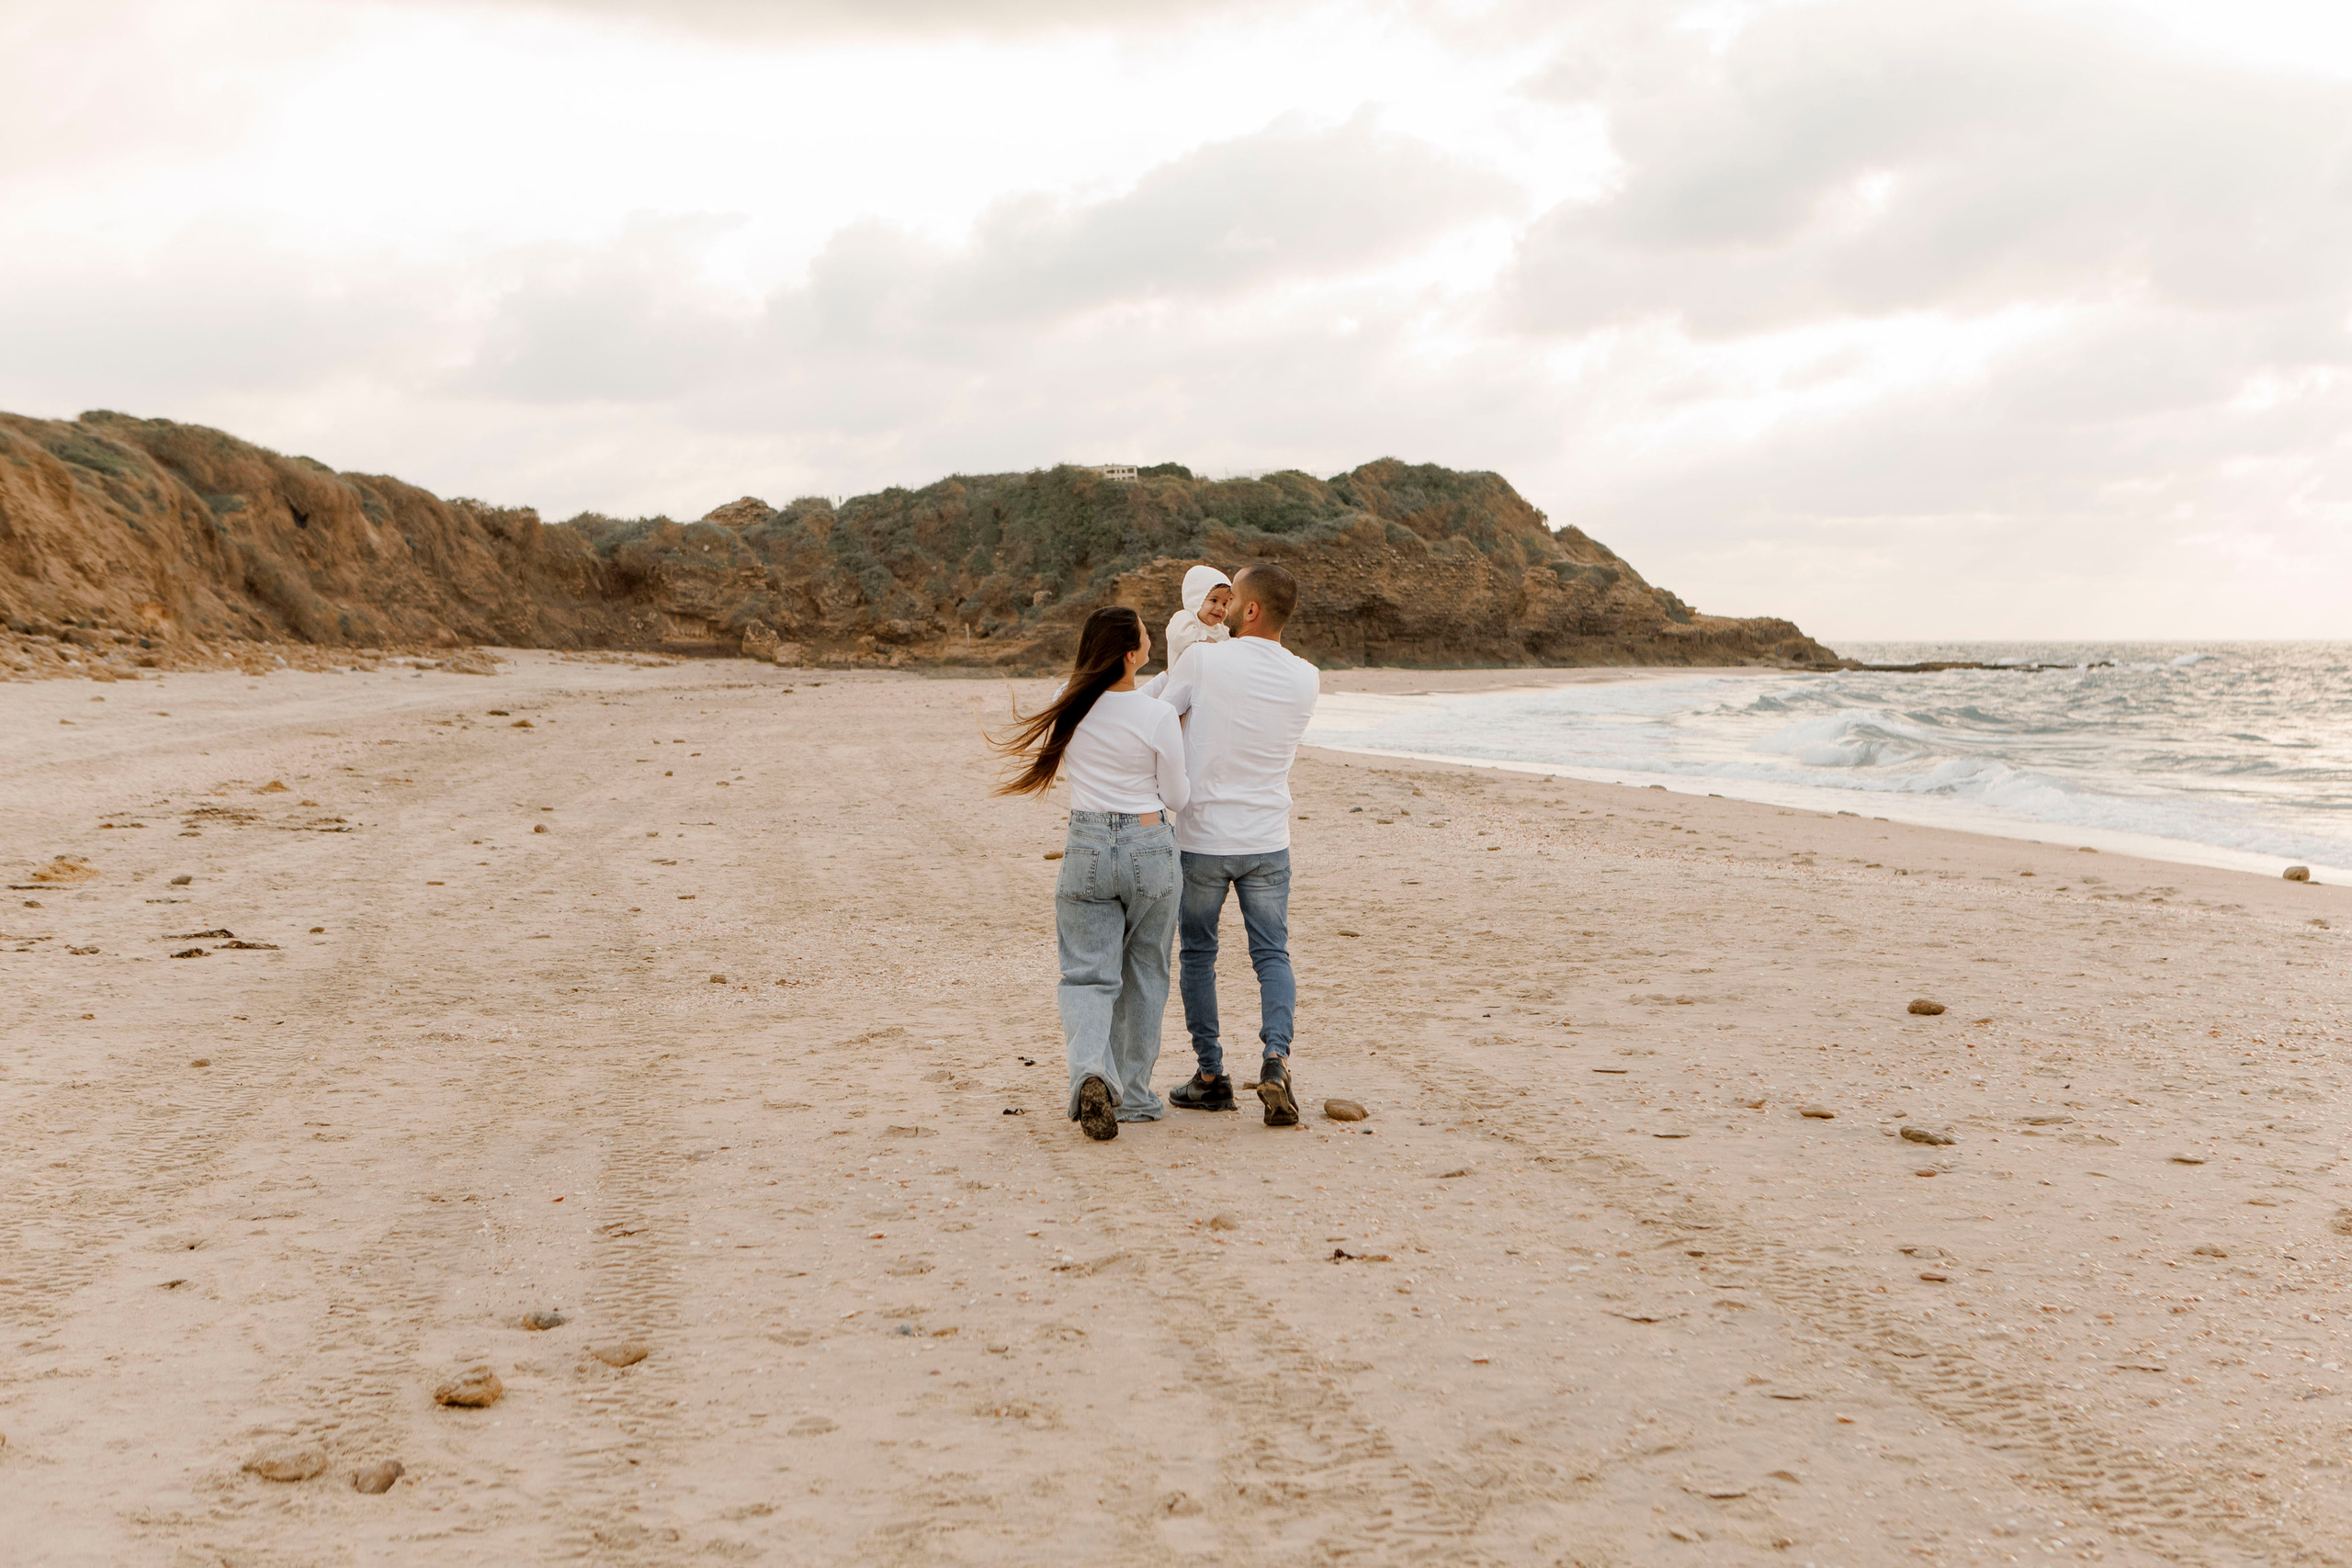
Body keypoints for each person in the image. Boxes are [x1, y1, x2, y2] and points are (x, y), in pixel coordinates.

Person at [990, 606, 1187, 1143]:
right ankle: (1137, 1097)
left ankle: (1090, 1073)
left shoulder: (1069, 700)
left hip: (1087, 844)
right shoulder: (1158, 716)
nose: (1150, 639)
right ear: (1131, 653)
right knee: (1145, 972)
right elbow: (1177, 796)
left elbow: (1118, 698)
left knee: (1086, 976)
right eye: (1145, 634)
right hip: (1149, 844)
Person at [1141, 563, 1319, 1127]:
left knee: (1198, 954)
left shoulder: (1202, 660)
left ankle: (1211, 1078)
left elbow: (1155, 719)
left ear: (1252, 609)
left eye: (1234, 598)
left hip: (1203, 837)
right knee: (1272, 954)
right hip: (1268, 837)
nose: (1225, 609)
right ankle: (1276, 1061)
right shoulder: (1308, 677)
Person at [1164, 565, 1234, 668]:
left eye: (1225, 604)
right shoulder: (1185, 618)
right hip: (1184, 677)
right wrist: (1203, 639)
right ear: (1196, 598)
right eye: (1214, 600)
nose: (1220, 608)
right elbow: (1178, 638)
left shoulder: (1225, 632)